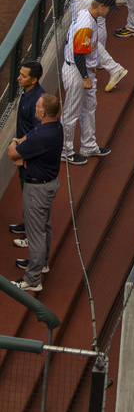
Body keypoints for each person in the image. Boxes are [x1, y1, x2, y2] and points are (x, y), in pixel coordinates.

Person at [7, 93, 62, 293]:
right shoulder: (54, 127)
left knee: (36, 233)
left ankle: (32, 279)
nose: (35, 109)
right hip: (46, 184)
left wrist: (14, 143)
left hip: (37, 188)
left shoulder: (43, 135)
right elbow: (29, 140)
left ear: (44, 112)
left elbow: (13, 154)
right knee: (44, 227)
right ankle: (42, 264)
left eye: (38, 107)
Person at [60, 0, 115, 165]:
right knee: (71, 113)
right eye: (109, 8)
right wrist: (85, 76)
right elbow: (78, 54)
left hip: (83, 69)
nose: (110, 11)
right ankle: (65, 151)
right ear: (101, 6)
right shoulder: (86, 23)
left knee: (89, 107)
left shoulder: (87, 14)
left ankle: (89, 146)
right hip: (76, 71)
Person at [8, 60, 44, 240]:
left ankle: (32, 235)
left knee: (33, 197)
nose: (18, 78)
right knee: (27, 193)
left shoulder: (39, 100)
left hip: (31, 158)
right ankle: (28, 224)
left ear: (34, 79)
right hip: (25, 153)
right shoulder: (28, 92)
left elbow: (38, 133)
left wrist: (24, 155)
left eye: (23, 75)